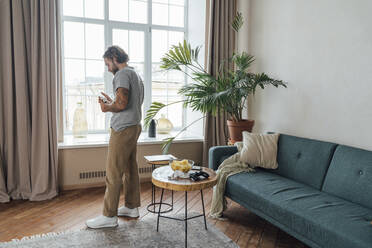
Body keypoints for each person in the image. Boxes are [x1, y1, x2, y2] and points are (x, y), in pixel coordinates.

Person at [86, 46, 144, 229]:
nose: (108, 68)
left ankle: (109, 216)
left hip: (122, 129)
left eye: (107, 63)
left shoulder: (122, 75)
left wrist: (107, 107)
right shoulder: (135, 75)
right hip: (134, 125)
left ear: (114, 57)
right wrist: (112, 102)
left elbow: (121, 103)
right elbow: (128, 102)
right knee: (130, 168)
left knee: (113, 172)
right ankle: (131, 207)